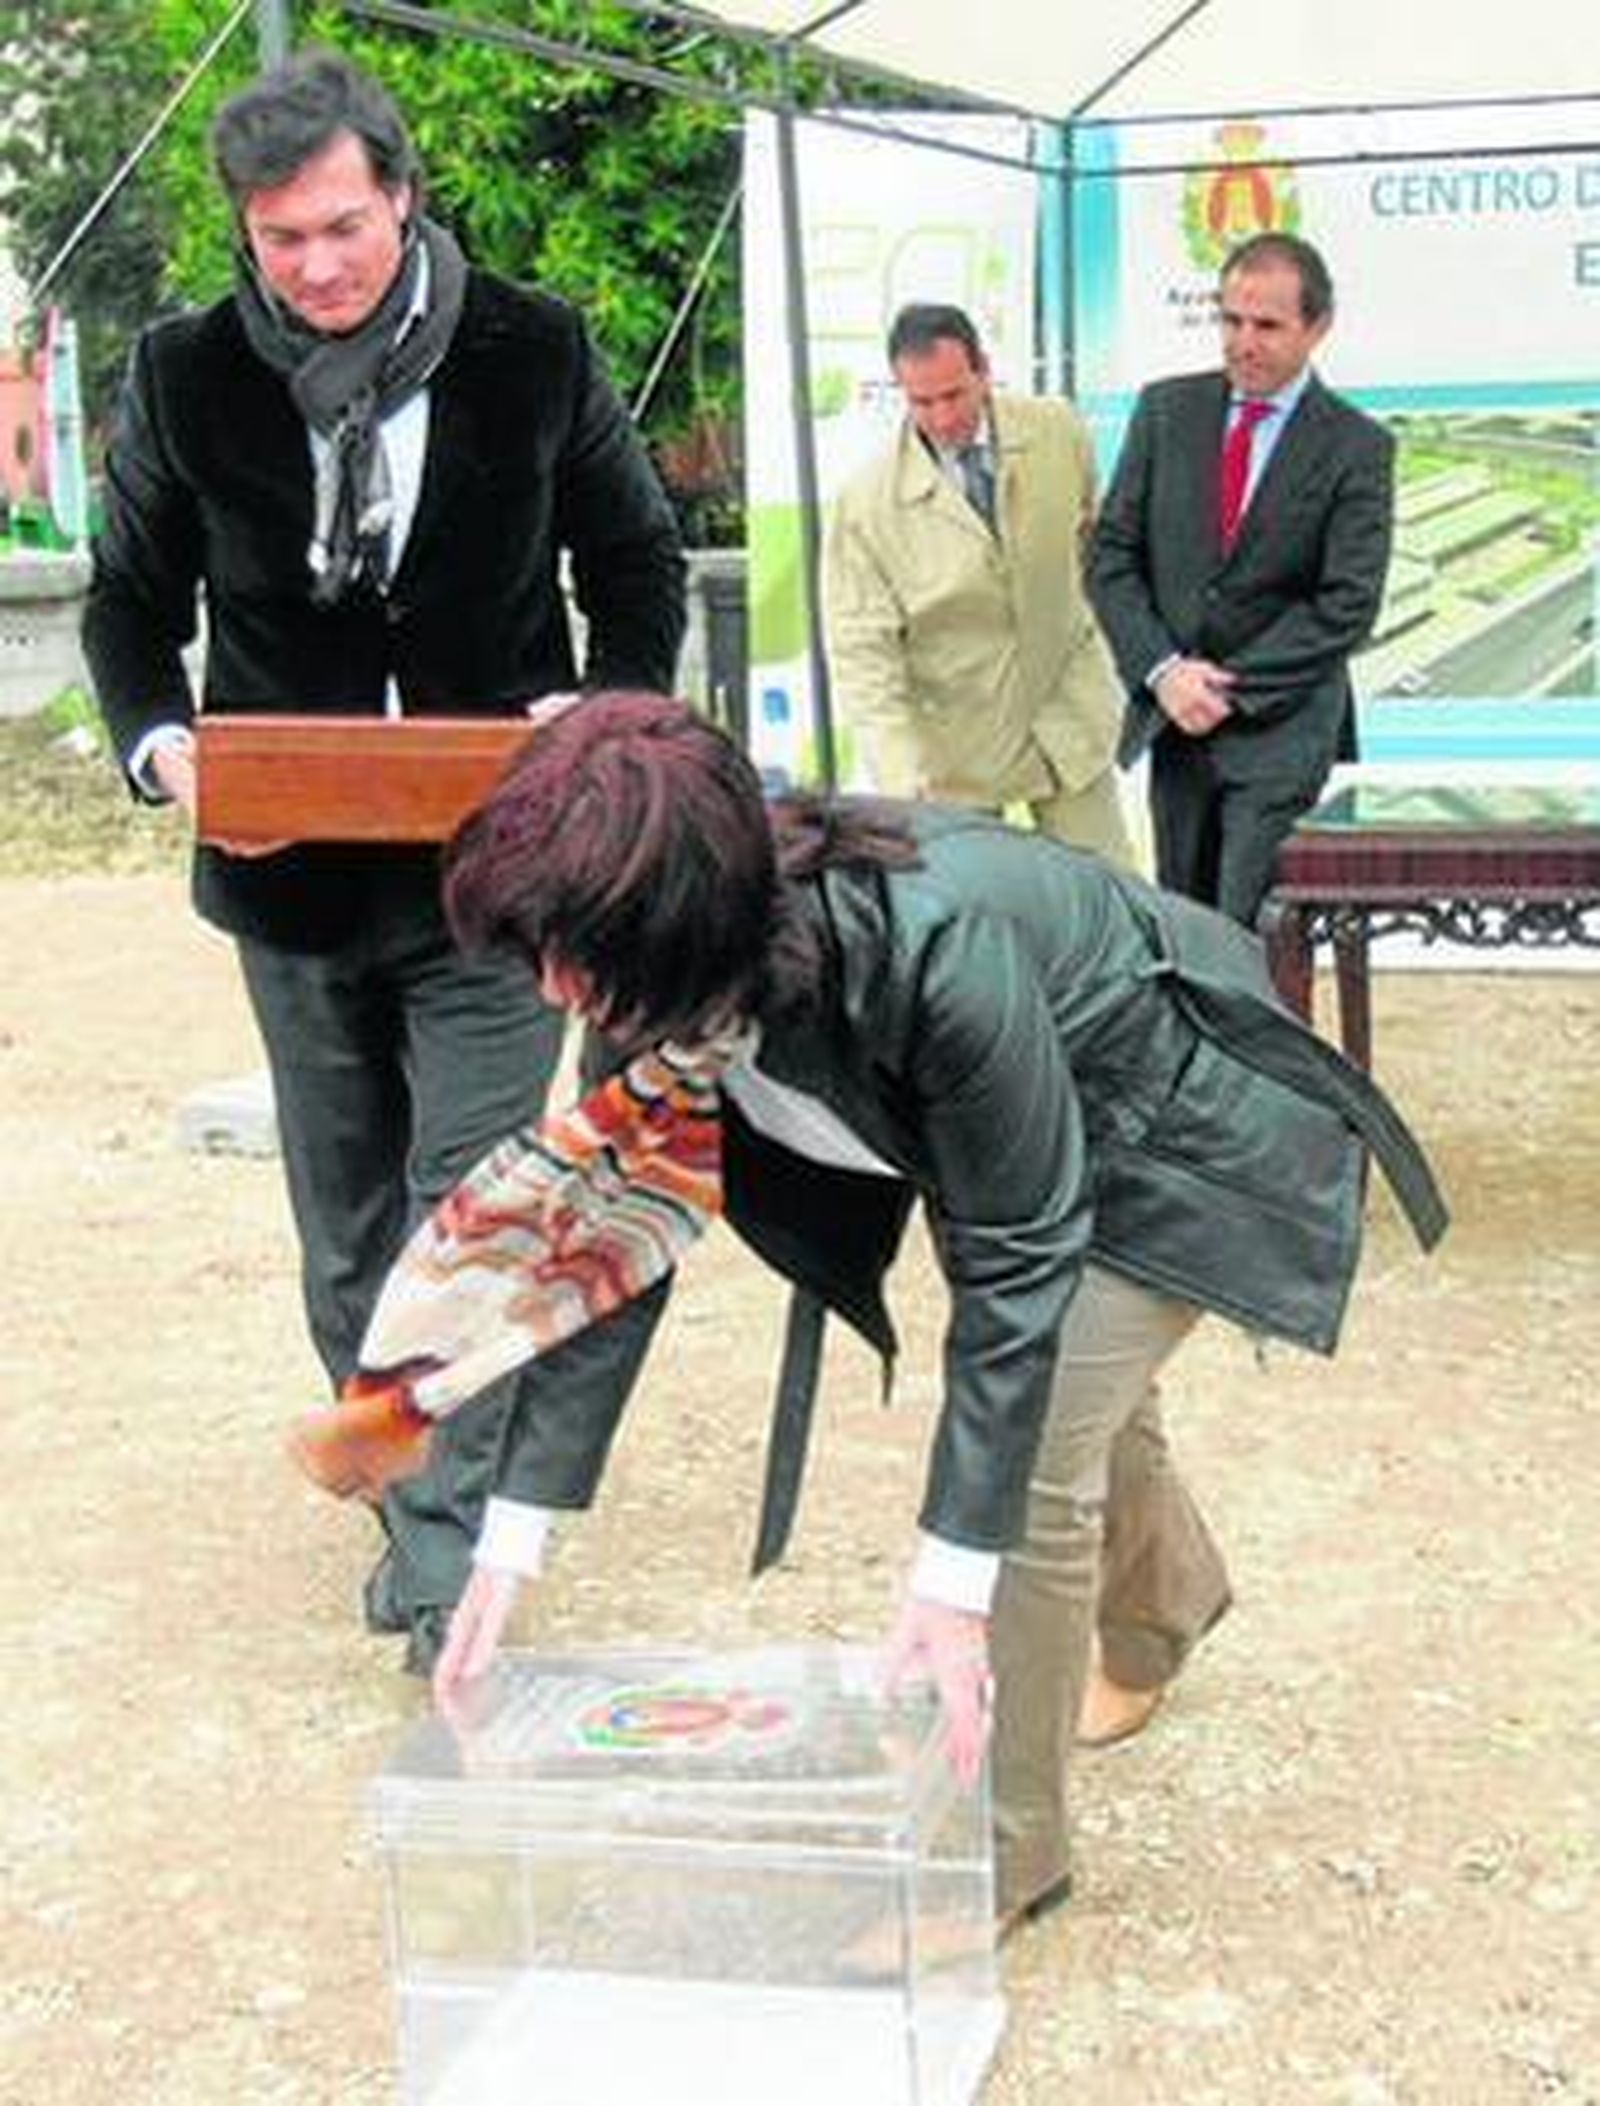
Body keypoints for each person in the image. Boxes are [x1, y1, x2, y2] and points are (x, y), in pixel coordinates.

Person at [295, 691, 1447, 1932]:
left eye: (577, 954)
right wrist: (509, 1542)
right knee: (1076, 1404)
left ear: (674, 918)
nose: (562, 990)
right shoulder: (642, 985)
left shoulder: (930, 949)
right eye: (542, 955)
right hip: (1030, 1130)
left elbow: (1015, 1263)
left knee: (1041, 1446)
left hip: (1171, 1121)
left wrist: (950, 1583)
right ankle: (1165, 1606)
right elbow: (615, 1249)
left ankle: (1004, 1858)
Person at [80, 51, 686, 1672]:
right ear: (248, 237)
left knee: (470, 1211)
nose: (318, 267)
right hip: (286, 883)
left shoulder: (533, 350)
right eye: (282, 240)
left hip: (499, 878)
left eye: (343, 227)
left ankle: (437, 1567)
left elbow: (637, 572)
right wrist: (172, 753)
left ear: (404, 199)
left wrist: (593, 719)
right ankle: (402, 1451)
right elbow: (126, 606)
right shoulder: (188, 373)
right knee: (347, 1227)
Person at [1089, 232, 1393, 926]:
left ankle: (1265, 1039)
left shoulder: (1358, 447)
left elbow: (1347, 605)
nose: (1243, 342)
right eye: (1230, 320)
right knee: (1188, 936)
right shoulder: (1166, 412)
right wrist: (1165, 672)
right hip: (1176, 728)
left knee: (1250, 944)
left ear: (1317, 327)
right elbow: (1111, 557)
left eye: (1267, 326)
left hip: (1280, 737)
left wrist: (1228, 689)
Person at [823, 302, 1135, 867]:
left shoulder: (1057, 429)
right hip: (955, 753)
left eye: (954, 395)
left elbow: (1097, 542)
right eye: (921, 402)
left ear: (984, 371)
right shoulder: (865, 504)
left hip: (1068, 716)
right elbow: (862, 654)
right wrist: (901, 776)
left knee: (1116, 894)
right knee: (971, 915)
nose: (942, 418)